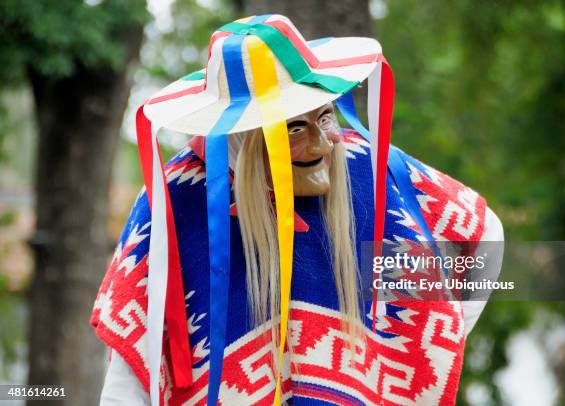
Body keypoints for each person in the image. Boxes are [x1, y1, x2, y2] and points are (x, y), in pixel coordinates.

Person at [91, 14, 504, 406]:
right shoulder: (175, 203)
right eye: (294, 128)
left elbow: (482, 232)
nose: (324, 144)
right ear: (242, 135)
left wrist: (432, 337)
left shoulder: (368, 170)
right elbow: (130, 372)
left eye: (324, 117)